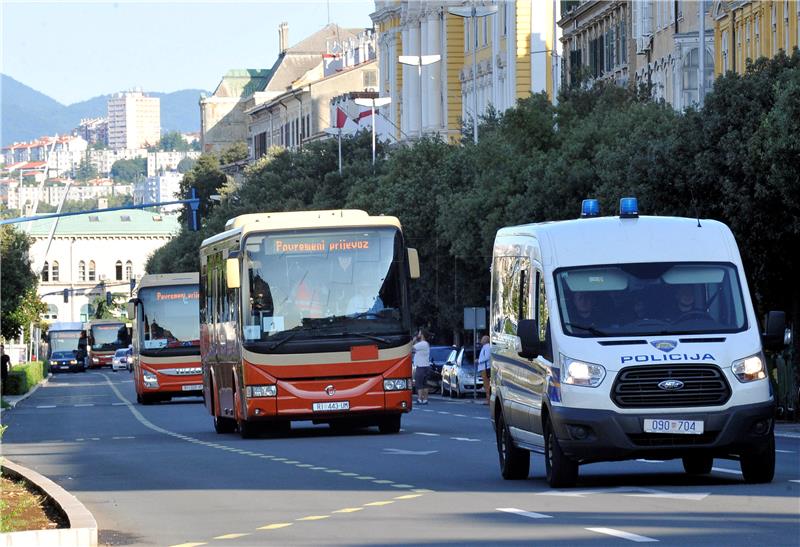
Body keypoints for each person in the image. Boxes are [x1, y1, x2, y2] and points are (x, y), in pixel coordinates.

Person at [412, 329, 431, 405]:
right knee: (424, 384)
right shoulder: (425, 344)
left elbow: (411, 347)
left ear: (422, 335)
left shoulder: (422, 344)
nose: (418, 335)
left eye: (419, 333)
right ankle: (425, 399)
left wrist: (413, 340)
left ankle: (420, 399)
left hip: (421, 367)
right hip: (426, 366)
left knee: (419, 384)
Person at [477, 335, 491, 403]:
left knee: (487, 384)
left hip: (485, 368)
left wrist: (479, 360)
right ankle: (487, 399)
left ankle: (488, 400)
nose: (481, 340)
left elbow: (487, 357)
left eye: (482, 339)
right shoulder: (485, 347)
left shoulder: (487, 347)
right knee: (486, 385)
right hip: (484, 368)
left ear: (486, 340)